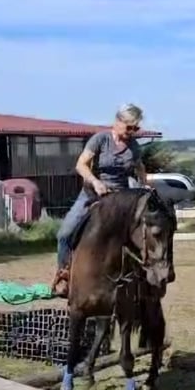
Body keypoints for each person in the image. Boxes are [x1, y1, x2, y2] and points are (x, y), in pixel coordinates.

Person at [50, 103, 147, 297]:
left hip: (120, 198)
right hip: (92, 193)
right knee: (64, 234)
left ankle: (138, 278)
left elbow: (139, 168)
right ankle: (65, 273)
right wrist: (95, 182)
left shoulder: (134, 147)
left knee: (143, 236)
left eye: (135, 128)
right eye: (129, 127)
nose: (132, 132)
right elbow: (81, 165)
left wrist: (144, 186)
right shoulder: (100, 139)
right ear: (118, 122)